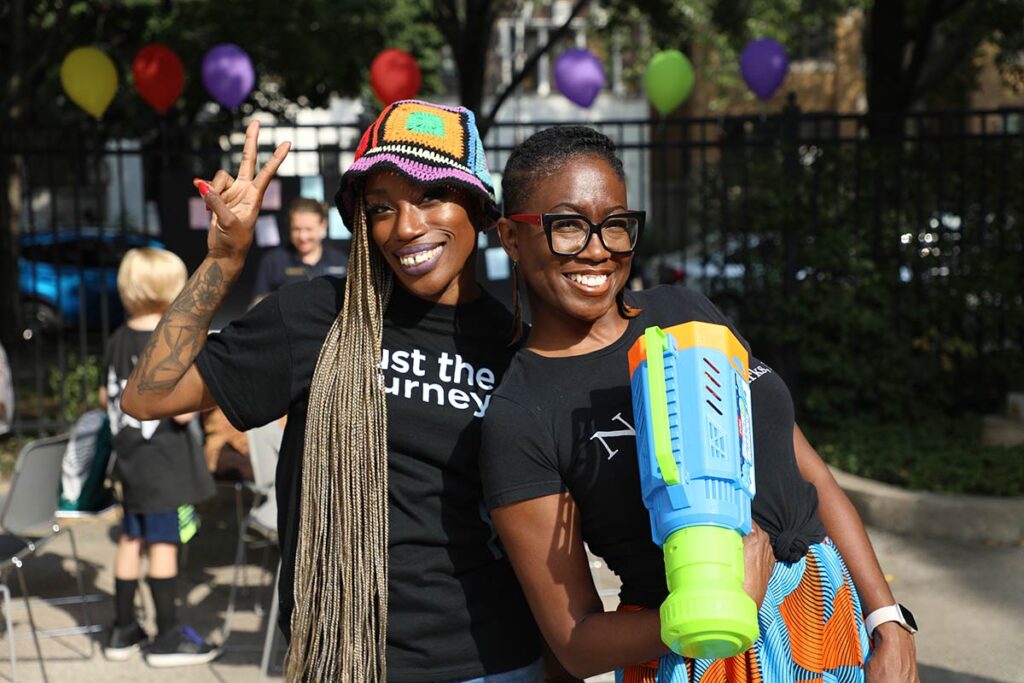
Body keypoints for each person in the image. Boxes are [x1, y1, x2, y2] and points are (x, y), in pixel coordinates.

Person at [480, 126, 920, 682]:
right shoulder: (521, 415)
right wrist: (711, 608)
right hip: (690, 653)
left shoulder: (686, 311)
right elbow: (575, 640)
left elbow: (806, 472)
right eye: (567, 226)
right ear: (511, 237)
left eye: (615, 225)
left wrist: (886, 618)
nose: (598, 249)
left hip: (824, 621)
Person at [120, 102, 541, 681]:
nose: (407, 227)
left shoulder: (518, 347)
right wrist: (222, 260)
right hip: (346, 655)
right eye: (381, 208)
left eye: (430, 197)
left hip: (494, 660)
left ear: (478, 207)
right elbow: (148, 395)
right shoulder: (316, 315)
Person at [99, 247, 218, 667]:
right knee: (164, 543)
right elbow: (183, 412)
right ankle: (167, 635)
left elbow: (105, 397)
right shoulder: (170, 339)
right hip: (165, 464)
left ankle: (122, 629)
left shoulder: (117, 339)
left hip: (130, 461)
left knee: (132, 538)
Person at [251, 196, 347, 300]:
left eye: (309, 229)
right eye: (296, 229)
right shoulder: (273, 261)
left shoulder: (341, 261)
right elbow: (258, 304)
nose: (303, 236)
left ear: (323, 226)